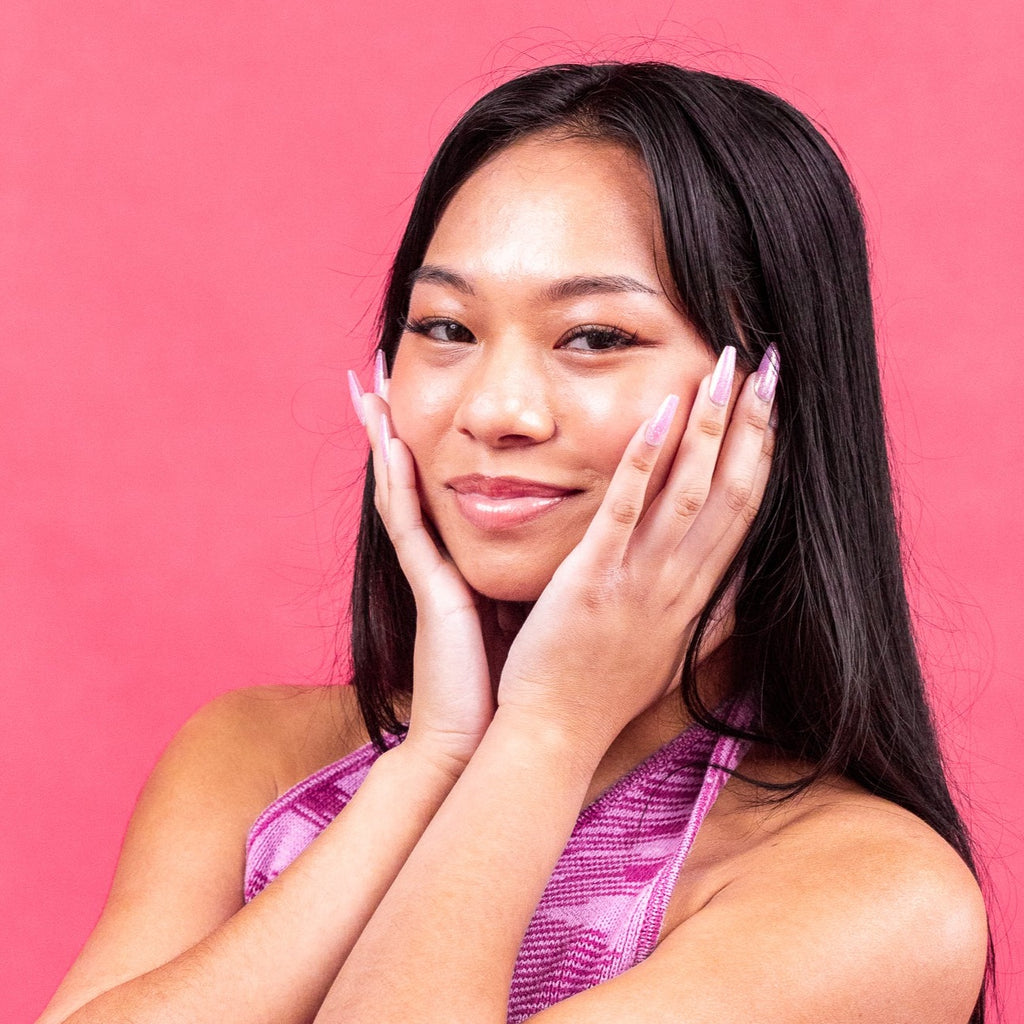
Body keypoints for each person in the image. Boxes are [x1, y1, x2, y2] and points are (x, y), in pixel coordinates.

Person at [37, 62, 989, 1024]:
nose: (495, 411)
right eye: (445, 326)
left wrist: (546, 731)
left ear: (769, 401)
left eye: (594, 337)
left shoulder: (876, 900)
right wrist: (431, 761)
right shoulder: (252, 759)